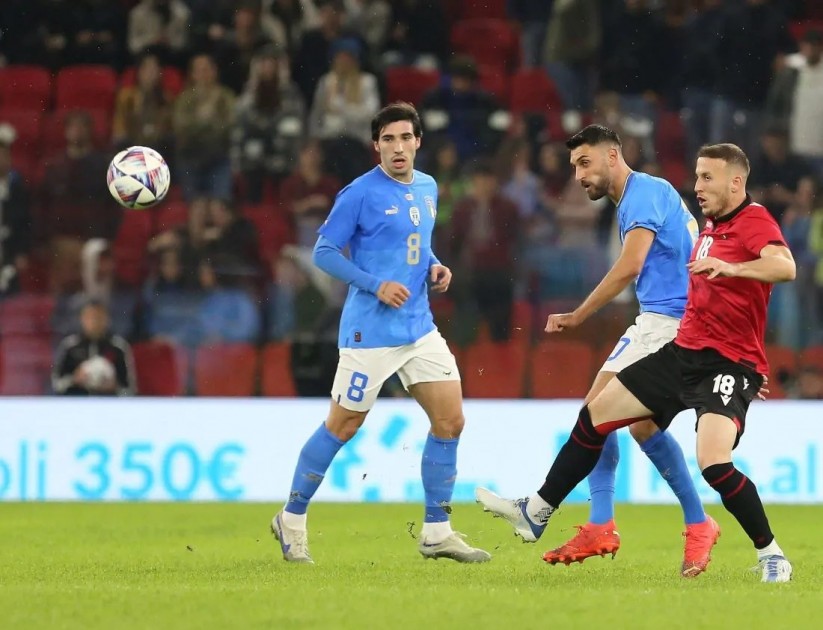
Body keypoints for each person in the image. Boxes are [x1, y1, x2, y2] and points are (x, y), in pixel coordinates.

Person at [478, 143, 796, 583]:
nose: (698, 185)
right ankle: (540, 509)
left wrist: (744, 351)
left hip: (726, 365)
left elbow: (785, 267)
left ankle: (771, 554)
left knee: (714, 462)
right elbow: (707, 300)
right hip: (683, 352)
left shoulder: (753, 219)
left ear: (736, 182)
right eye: (698, 175)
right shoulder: (709, 225)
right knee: (596, 415)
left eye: (707, 177)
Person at [271, 102, 490, 564]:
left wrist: (434, 266)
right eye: (387, 139)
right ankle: (290, 519)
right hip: (369, 333)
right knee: (343, 424)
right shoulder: (359, 193)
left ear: (417, 142)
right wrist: (375, 284)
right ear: (376, 146)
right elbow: (324, 252)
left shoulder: (428, 187)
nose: (397, 147)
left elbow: (417, 243)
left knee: (450, 420)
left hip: (418, 328)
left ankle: (436, 531)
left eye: (405, 138)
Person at [52, 300, 137, 396]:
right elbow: (55, 385)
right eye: (90, 317)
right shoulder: (69, 346)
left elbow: (130, 390)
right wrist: (74, 379)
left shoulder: (119, 347)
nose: (94, 321)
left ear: (107, 319)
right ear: (82, 319)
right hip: (76, 404)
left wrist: (115, 387)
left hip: (109, 405)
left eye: (99, 317)